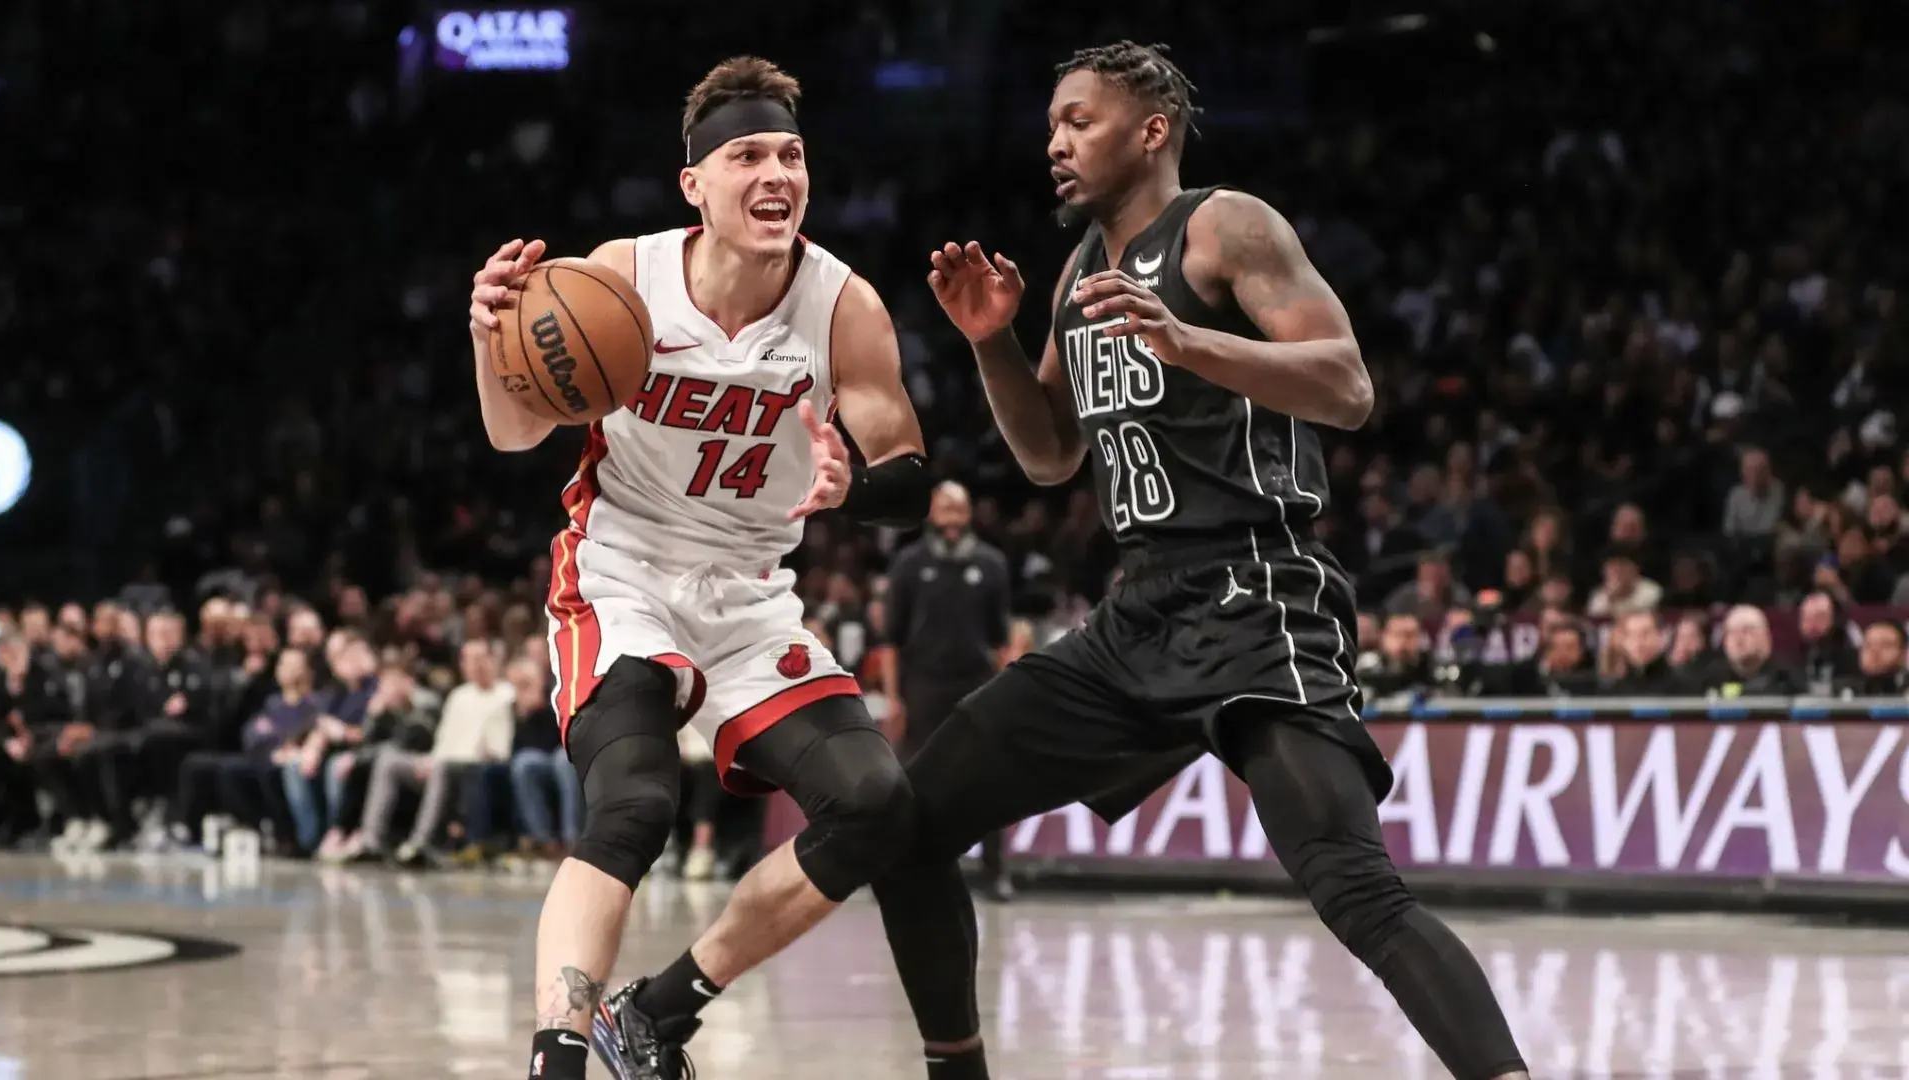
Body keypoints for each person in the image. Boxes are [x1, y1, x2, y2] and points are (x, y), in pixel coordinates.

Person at [609, 41, 1532, 1080]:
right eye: (1051, 124)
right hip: (1137, 616)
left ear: (1152, 131)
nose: (1054, 143)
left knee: (1354, 889)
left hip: (1258, 594)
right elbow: (1050, 455)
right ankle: (946, 1067)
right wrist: (991, 342)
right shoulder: (1081, 270)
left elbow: (1347, 385)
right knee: (908, 822)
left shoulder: (1228, 225)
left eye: (1078, 122)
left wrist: (1191, 345)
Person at [465, 56, 931, 1080]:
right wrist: (489, 336)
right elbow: (513, 432)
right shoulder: (620, 279)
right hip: (622, 565)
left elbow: (911, 472)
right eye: (750, 155)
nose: (778, 175)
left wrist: (855, 486)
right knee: (633, 803)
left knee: (876, 803)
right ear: (696, 185)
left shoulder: (842, 305)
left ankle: (661, 1009)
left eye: (793, 155)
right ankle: (560, 1059)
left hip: (750, 594)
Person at [883, 480, 1013, 898]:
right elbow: (890, 639)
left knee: (985, 779)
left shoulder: (992, 565)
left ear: (969, 514)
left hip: (975, 682)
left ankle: (995, 872)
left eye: (959, 511)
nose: (952, 520)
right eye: (945, 511)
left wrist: (1006, 688)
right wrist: (892, 696)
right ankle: (905, 867)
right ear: (931, 515)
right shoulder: (907, 564)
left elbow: (1001, 639)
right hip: (922, 685)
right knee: (913, 781)